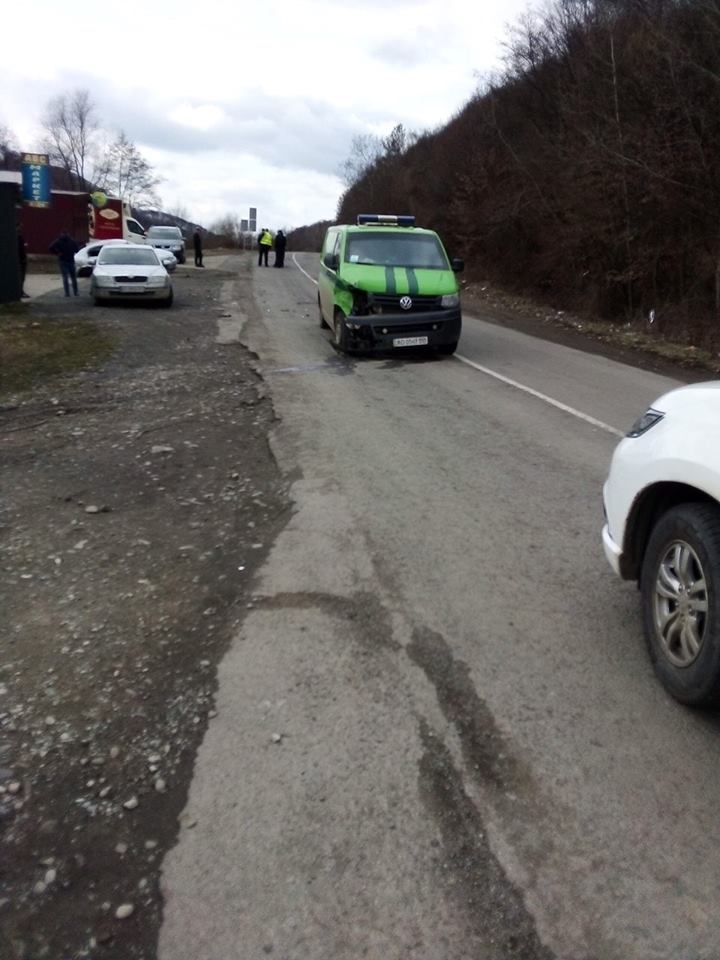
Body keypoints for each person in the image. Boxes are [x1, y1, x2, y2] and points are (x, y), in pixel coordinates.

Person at [49, 229, 79, 297]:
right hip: (71, 260)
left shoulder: (59, 240)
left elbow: (50, 247)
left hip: (62, 260)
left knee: (65, 277)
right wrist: (73, 251)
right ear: (68, 234)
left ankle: (67, 293)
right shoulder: (72, 241)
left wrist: (57, 253)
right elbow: (77, 250)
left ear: (61, 233)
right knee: (73, 277)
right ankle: (76, 292)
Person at [17, 228, 29, 298]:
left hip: (18, 260)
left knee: (20, 277)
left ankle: (20, 291)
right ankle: (20, 292)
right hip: (21, 261)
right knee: (21, 277)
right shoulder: (19, 238)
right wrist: (24, 258)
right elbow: (21, 249)